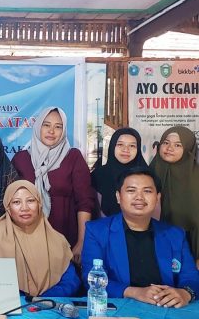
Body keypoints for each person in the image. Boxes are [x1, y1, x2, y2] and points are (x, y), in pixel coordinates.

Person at [82, 167, 199, 308]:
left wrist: (185, 293)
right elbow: (91, 278)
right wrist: (134, 292)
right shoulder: (97, 231)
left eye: (147, 191)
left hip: (165, 309)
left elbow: (191, 276)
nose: (139, 197)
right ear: (118, 197)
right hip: (119, 310)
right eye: (131, 190)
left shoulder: (175, 234)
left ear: (158, 198)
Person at [12, 107, 94, 264]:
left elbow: (85, 202)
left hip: (65, 238)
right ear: (38, 127)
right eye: (46, 125)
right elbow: (10, 201)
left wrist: (82, 241)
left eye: (58, 127)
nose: (51, 131)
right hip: (26, 240)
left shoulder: (73, 157)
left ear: (63, 131)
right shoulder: (21, 159)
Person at [0, 180, 80, 297]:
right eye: (16, 202)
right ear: (8, 207)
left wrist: (42, 300)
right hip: (10, 304)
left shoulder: (57, 240)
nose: (25, 208)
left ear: (39, 204)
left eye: (31, 201)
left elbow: (71, 282)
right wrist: (23, 299)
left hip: (51, 304)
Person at [150, 126, 199, 268]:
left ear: (188, 149)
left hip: (191, 251)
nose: (169, 148)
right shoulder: (148, 173)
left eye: (178, 145)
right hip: (154, 246)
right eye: (166, 143)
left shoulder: (196, 178)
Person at [92, 127, 148, 217]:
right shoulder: (98, 175)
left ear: (138, 149)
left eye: (132, 146)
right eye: (120, 144)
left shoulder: (147, 176)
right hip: (103, 225)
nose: (126, 149)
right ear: (112, 146)